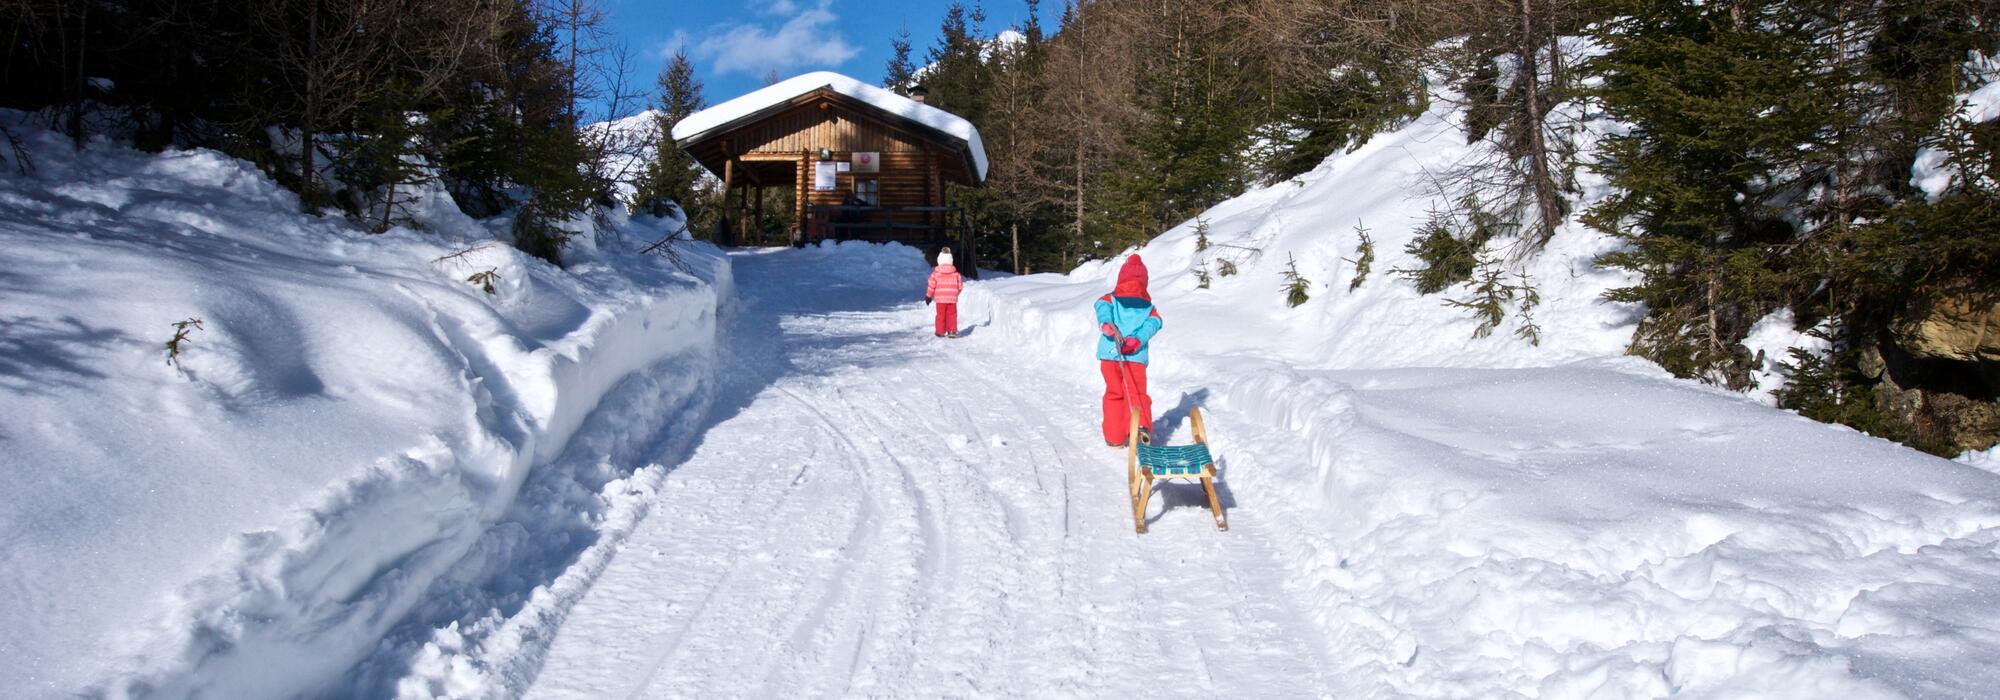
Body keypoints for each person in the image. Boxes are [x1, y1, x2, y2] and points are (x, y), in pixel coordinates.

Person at [1096, 254, 1161, 446]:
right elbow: (1155, 322)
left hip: (1110, 355)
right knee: (1136, 393)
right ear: (1145, 281)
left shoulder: (1109, 299)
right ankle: (1141, 430)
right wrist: (1137, 340)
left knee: (1114, 393)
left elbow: (1102, 309)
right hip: (1135, 358)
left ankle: (1115, 437)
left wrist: (1106, 324)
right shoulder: (1149, 307)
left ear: (1121, 278)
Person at [926, 247, 963, 338]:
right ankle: (952, 331)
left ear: (939, 261)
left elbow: (931, 285)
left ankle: (940, 331)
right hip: (952, 299)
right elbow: (960, 286)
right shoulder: (956, 274)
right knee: (952, 314)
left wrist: (928, 296)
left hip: (940, 299)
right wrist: (955, 294)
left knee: (940, 315)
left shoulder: (936, 274)